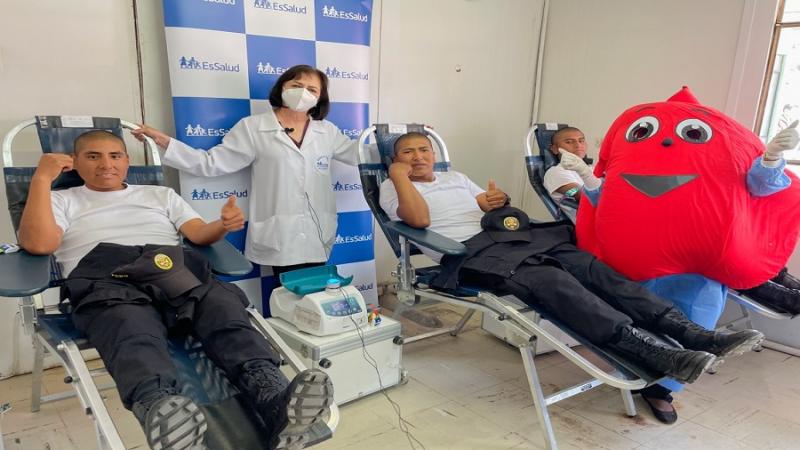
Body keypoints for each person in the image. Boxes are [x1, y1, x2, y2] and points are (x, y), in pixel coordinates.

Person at [17, 130, 333, 450]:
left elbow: (198, 234)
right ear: (74, 162)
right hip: (107, 281)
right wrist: (42, 179)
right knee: (130, 327)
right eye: (93, 156)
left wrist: (222, 226)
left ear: (127, 161)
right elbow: (39, 244)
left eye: (115, 155)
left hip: (172, 271)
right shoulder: (61, 199)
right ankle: (163, 415)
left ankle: (274, 399)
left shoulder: (160, 195)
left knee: (222, 306)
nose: (106, 164)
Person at [379, 132, 764, 388]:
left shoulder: (456, 177)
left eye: (424, 150)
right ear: (395, 160)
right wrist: (399, 177)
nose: (418, 157)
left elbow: (484, 203)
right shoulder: (391, 186)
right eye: (407, 152)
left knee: (591, 268)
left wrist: (494, 201)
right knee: (553, 282)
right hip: (469, 254)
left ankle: (694, 334)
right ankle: (651, 352)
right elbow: (420, 221)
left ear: (434, 155)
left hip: (509, 237)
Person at [556, 118, 800, 423]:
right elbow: (606, 200)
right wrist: (585, 175)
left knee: (693, 323)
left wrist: (771, 158)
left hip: (697, 267)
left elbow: (760, 187)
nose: (668, 140)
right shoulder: (633, 164)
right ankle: (638, 371)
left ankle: (662, 390)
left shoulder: (718, 162)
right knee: (639, 321)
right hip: (639, 258)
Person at [132, 64, 358, 281]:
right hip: (280, 231)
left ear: (320, 98)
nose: (303, 93)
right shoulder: (254, 127)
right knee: (291, 295)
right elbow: (210, 163)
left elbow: (360, 155)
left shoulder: (327, 131)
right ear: (282, 87)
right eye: (296, 86)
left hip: (317, 230)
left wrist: (382, 140)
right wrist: (163, 141)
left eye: (312, 90)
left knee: (316, 295)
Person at [542, 127, 597, 203]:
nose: (578, 145)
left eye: (581, 141)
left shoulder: (592, 168)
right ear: (555, 149)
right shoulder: (555, 172)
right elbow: (582, 195)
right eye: (569, 142)